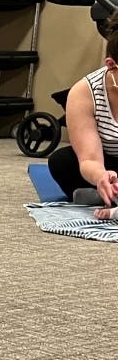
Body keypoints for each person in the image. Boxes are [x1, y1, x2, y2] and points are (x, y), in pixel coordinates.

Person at [47, 11, 118, 212]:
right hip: (108, 163)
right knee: (61, 161)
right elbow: (89, 159)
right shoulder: (84, 92)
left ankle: (100, 198)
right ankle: (105, 191)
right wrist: (101, 176)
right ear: (111, 65)